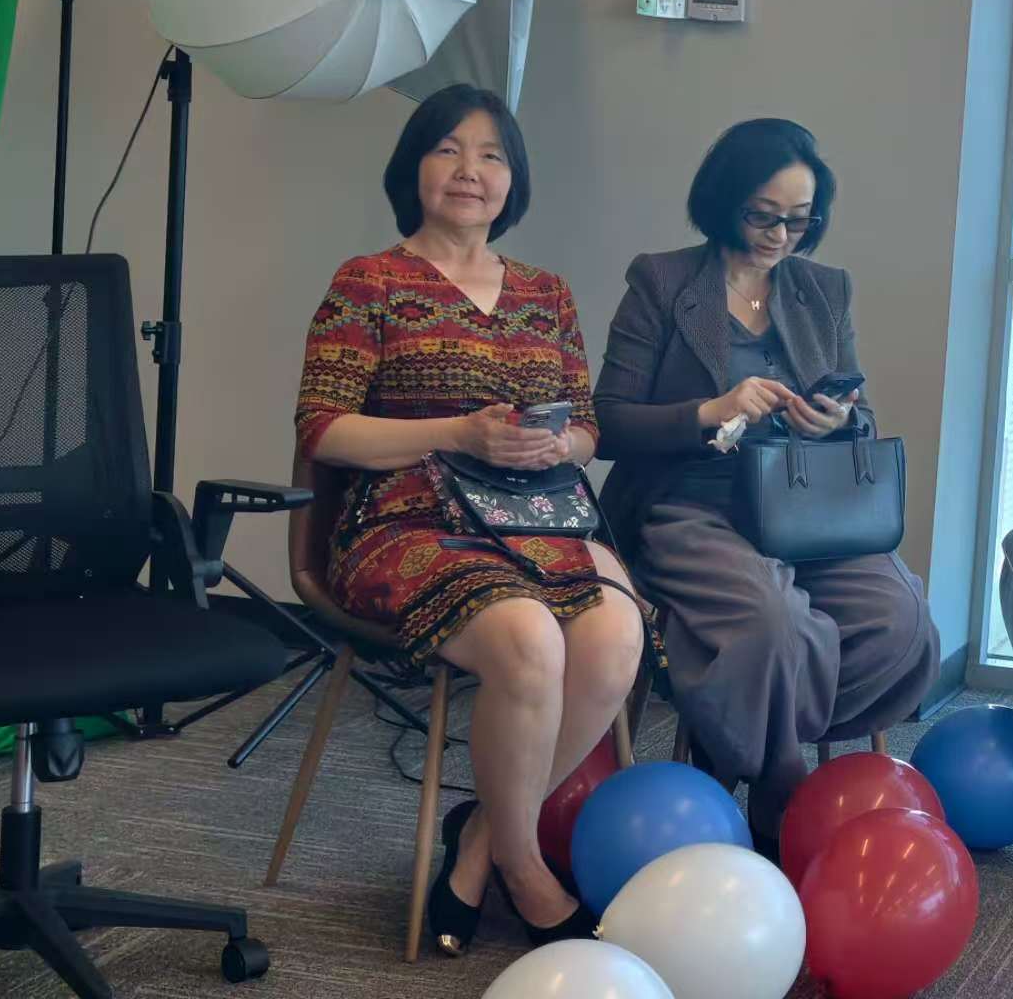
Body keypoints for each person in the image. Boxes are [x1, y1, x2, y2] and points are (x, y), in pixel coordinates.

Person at [294, 85, 643, 952]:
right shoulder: (368, 281)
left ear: (512, 180)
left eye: (491, 155)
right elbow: (323, 430)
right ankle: (526, 871)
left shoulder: (546, 294)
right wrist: (457, 432)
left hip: (537, 515)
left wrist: (558, 444)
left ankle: (481, 842)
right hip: (405, 522)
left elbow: (588, 429)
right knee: (528, 640)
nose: (469, 171)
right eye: (447, 149)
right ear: (413, 167)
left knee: (615, 637)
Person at [592, 118, 938, 850]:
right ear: (725, 202)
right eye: (763, 216)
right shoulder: (661, 282)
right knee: (774, 625)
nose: (780, 236)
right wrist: (708, 411)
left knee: (899, 619)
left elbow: (861, 414)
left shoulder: (824, 289)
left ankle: (732, 734)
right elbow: (609, 423)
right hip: (690, 502)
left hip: (804, 505)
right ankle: (780, 782)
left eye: (799, 220)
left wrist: (836, 420)